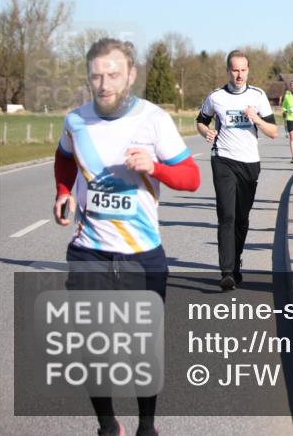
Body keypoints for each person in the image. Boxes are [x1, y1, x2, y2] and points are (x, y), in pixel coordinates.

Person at [53, 38, 201, 436]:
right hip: (89, 252)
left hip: (141, 254)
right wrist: (64, 192)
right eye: (97, 75)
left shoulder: (153, 119)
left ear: (130, 75)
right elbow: (64, 157)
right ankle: (107, 426)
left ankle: (146, 426)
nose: (104, 83)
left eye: (113, 74)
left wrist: (155, 166)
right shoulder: (76, 120)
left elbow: (191, 177)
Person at [197, 50, 278, 291]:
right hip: (223, 159)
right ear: (228, 71)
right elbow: (201, 120)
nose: (239, 74)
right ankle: (226, 271)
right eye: (235, 70)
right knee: (227, 215)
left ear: (248, 70)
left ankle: (236, 262)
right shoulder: (216, 97)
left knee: (242, 218)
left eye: (243, 70)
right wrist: (206, 132)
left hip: (249, 162)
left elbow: (273, 132)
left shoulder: (258, 96)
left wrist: (257, 119)